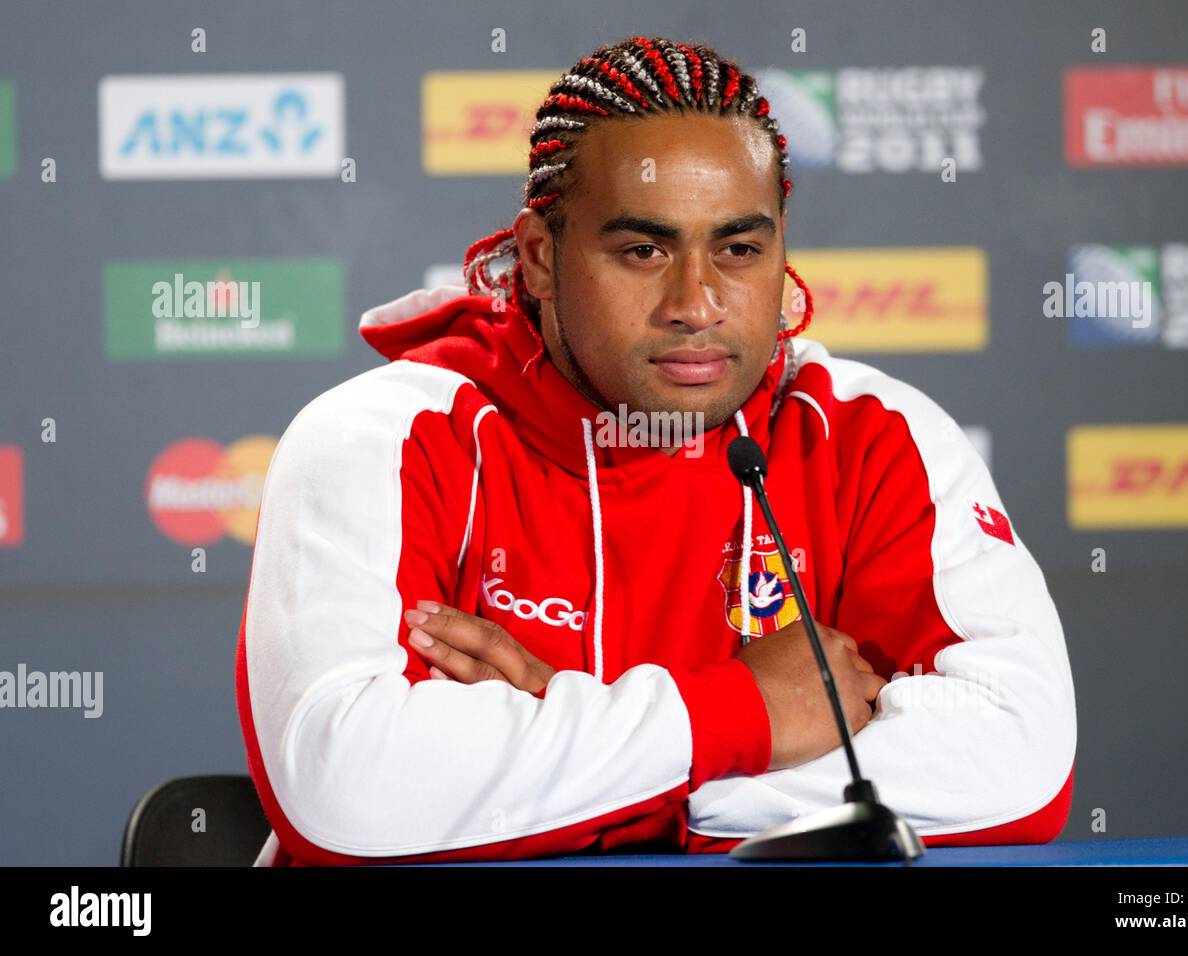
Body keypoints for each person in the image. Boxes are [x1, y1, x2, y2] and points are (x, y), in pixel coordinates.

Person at [236, 35, 1076, 866]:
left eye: (739, 250)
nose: (697, 303)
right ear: (537, 256)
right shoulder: (383, 436)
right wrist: (741, 715)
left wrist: (554, 775)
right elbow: (347, 786)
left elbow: (1020, 756)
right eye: (643, 250)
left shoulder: (869, 434)